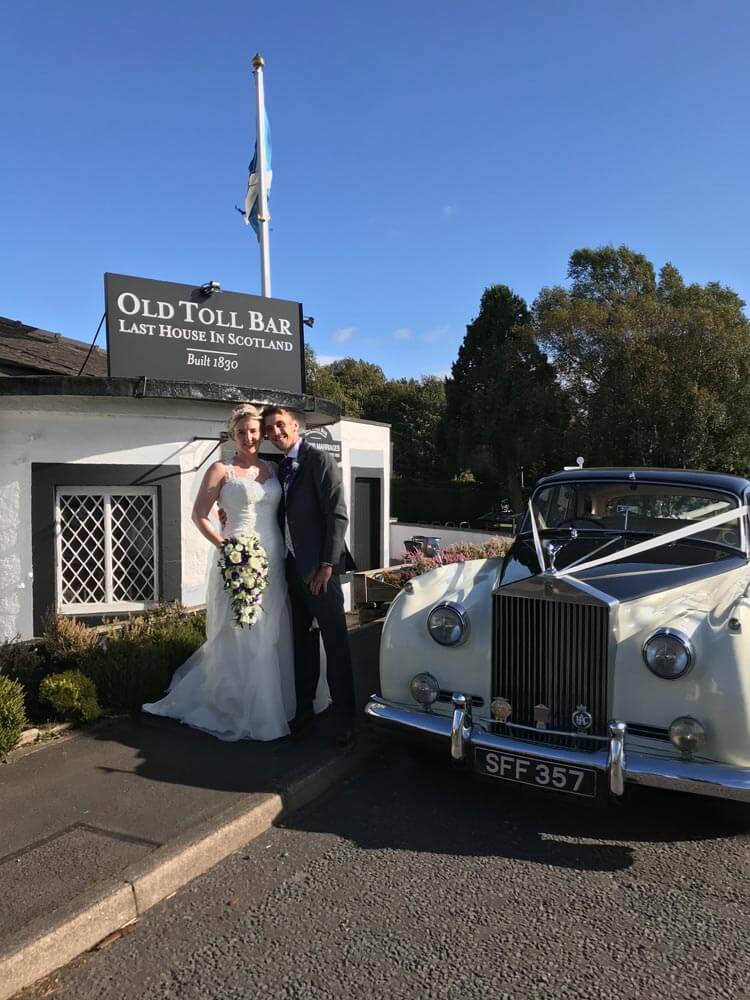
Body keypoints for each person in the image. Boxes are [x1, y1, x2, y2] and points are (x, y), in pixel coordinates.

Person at [143, 404, 298, 741]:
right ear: (233, 435)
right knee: (242, 630)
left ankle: (274, 704)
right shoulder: (220, 469)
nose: (249, 437)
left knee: (271, 629)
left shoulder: (274, 469)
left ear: (262, 433)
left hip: (273, 558)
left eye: (254, 431)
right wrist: (226, 547)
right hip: (237, 559)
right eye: (241, 432)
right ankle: (238, 706)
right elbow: (199, 515)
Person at [263, 405, 357, 749]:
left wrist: (326, 565)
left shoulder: (319, 461)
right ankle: (305, 712)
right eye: (270, 429)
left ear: (295, 426)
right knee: (302, 646)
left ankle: (346, 719)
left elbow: (337, 515)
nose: (275, 432)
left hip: (321, 572)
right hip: (291, 569)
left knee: (336, 646)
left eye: (280, 425)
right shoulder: (279, 467)